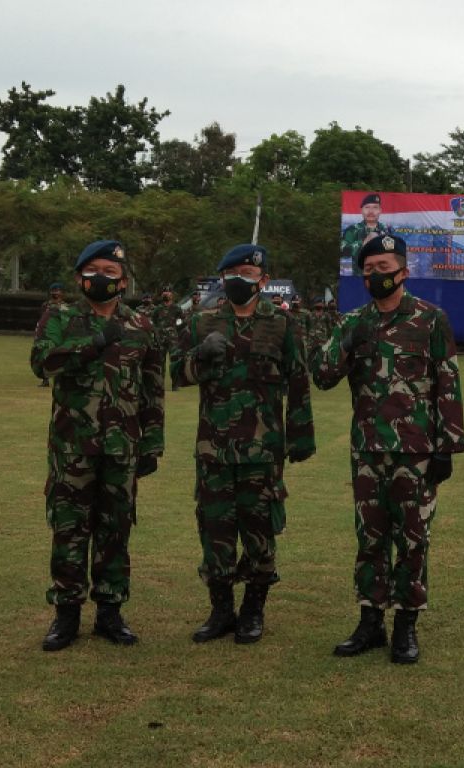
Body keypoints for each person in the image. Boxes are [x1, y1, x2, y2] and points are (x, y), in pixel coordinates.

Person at [311, 233, 464, 664]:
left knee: (413, 540)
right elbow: (322, 375)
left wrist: (447, 447)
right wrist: (342, 339)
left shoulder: (431, 320)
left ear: (403, 270)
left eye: (383, 268)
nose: (376, 276)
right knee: (370, 539)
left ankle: (406, 626)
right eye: (368, 270)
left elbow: (448, 382)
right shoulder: (353, 322)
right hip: (367, 451)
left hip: (416, 452)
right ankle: (370, 622)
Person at [170, 244, 315, 646]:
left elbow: (298, 382)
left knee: (259, 531)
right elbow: (175, 374)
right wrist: (199, 356)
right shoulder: (202, 323)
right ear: (222, 278)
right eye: (233, 273)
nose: (240, 279)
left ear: (263, 281)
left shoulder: (283, 325)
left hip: (262, 453)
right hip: (213, 451)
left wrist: (301, 437)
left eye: (249, 274)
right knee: (214, 530)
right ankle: (220, 610)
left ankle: (253, 609)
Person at [31, 239, 165, 651]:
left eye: (111, 272)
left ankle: (110, 612)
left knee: (115, 530)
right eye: (94, 271)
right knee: (70, 529)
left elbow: (153, 388)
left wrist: (152, 443)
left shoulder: (142, 325)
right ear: (79, 278)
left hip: (122, 447)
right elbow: (43, 362)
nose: (102, 278)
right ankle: (66, 615)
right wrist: (93, 343)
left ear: (123, 281)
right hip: (73, 447)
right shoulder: (61, 316)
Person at [341, 193, 393, 263]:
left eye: (375, 207)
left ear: (380, 211)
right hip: (359, 273)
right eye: (367, 207)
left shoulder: (386, 230)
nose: (371, 211)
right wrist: (364, 242)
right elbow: (344, 252)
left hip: (381, 272)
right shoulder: (352, 230)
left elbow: (392, 254)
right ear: (361, 210)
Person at [37, 283, 69, 387]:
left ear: (62, 293)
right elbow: (42, 320)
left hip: (60, 335)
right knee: (44, 356)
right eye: (54, 291)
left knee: (61, 357)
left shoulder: (65, 307)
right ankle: (45, 379)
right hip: (47, 334)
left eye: (58, 291)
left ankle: (61, 379)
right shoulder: (45, 306)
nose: (56, 293)